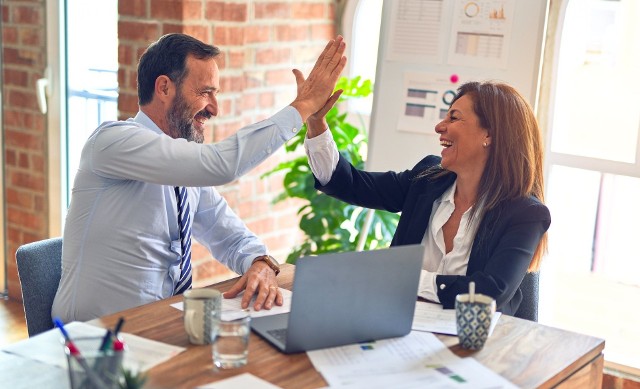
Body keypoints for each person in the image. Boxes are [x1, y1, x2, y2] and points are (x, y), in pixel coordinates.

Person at [52, 33, 346, 322]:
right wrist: (304, 106)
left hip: (160, 327)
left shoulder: (184, 169)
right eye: (205, 92)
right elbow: (222, 165)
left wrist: (260, 262)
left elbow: (229, 235)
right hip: (93, 339)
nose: (214, 109)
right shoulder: (113, 142)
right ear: (164, 88)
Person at [304, 81, 550, 315]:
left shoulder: (525, 214)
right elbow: (349, 184)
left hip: (477, 345)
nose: (439, 126)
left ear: (489, 135)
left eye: (454, 117)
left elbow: (489, 293)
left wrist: (406, 278)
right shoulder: (427, 179)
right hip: (400, 327)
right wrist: (316, 122)